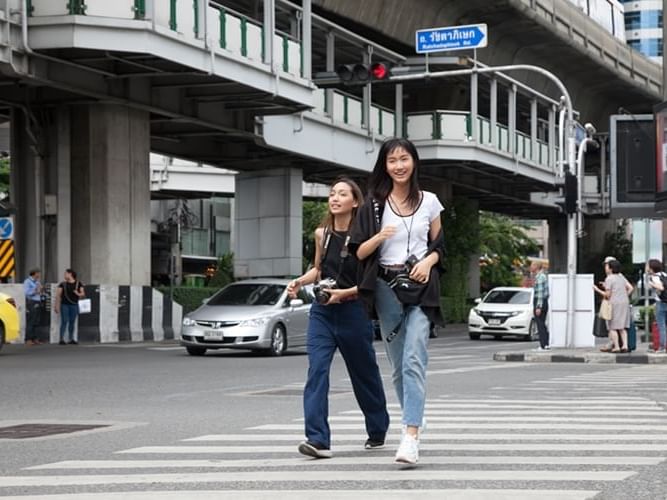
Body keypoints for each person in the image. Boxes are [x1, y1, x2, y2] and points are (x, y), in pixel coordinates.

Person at [352, 137, 445, 465]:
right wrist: (378, 236)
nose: (399, 166)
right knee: (396, 366)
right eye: (392, 160)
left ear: (414, 162)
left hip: (422, 287)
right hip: (385, 288)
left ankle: (411, 435)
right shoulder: (373, 205)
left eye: (404, 159)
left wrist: (427, 262)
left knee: (414, 359)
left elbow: (440, 247)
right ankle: (414, 414)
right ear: (384, 166)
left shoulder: (431, 202)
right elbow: (359, 252)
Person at [289, 177, 389, 459]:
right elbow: (318, 269)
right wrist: (299, 281)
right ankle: (318, 439)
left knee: (364, 374)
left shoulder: (365, 237)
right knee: (317, 371)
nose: (334, 198)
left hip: (354, 311)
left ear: (354, 201)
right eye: (332, 194)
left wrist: (344, 294)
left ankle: (378, 428)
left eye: (342, 194)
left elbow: (372, 279)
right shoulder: (323, 233)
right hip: (322, 312)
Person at [594, 259, 633, 353]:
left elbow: (607, 295)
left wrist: (596, 289)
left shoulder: (609, 278)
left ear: (611, 268)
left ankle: (616, 347)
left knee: (612, 327)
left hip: (614, 303)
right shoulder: (621, 277)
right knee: (622, 327)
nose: (606, 268)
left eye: (607, 266)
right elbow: (630, 288)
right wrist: (623, 296)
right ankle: (625, 346)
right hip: (624, 302)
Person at [55, 269, 85, 345]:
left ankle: (71, 338)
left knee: (72, 321)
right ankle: (61, 339)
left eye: (66, 274)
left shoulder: (79, 284)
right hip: (64, 305)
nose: (64, 275)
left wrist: (77, 293)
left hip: (74, 305)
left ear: (70, 274)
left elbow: (83, 294)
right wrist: (56, 306)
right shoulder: (62, 284)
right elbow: (58, 295)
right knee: (64, 321)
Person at [647, 258, 666, 353]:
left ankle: (662, 347)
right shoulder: (664, 275)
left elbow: (661, 287)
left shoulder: (654, 277)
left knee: (661, 326)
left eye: (648, 266)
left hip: (661, 303)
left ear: (651, 268)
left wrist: (652, 284)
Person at [531, 260, 550, 351]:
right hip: (544, 302)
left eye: (532, 265)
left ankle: (543, 345)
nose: (531, 267)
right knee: (542, 323)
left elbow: (540, 293)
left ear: (536, 266)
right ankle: (546, 344)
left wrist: (538, 306)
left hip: (540, 302)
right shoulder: (542, 276)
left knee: (540, 324)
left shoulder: (540, 277)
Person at [23, 268, 43, 345]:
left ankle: (35, 338)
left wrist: (40, 290)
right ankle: (28, 339)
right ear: (34, 273)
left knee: (37, 321)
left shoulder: (37, 282)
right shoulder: (27, 281)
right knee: (31, 320)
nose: (39, 275)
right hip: (31, 302)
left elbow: (39, 291)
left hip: (38, 301)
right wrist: (35, 291)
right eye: (38, 273)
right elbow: (27, 292)